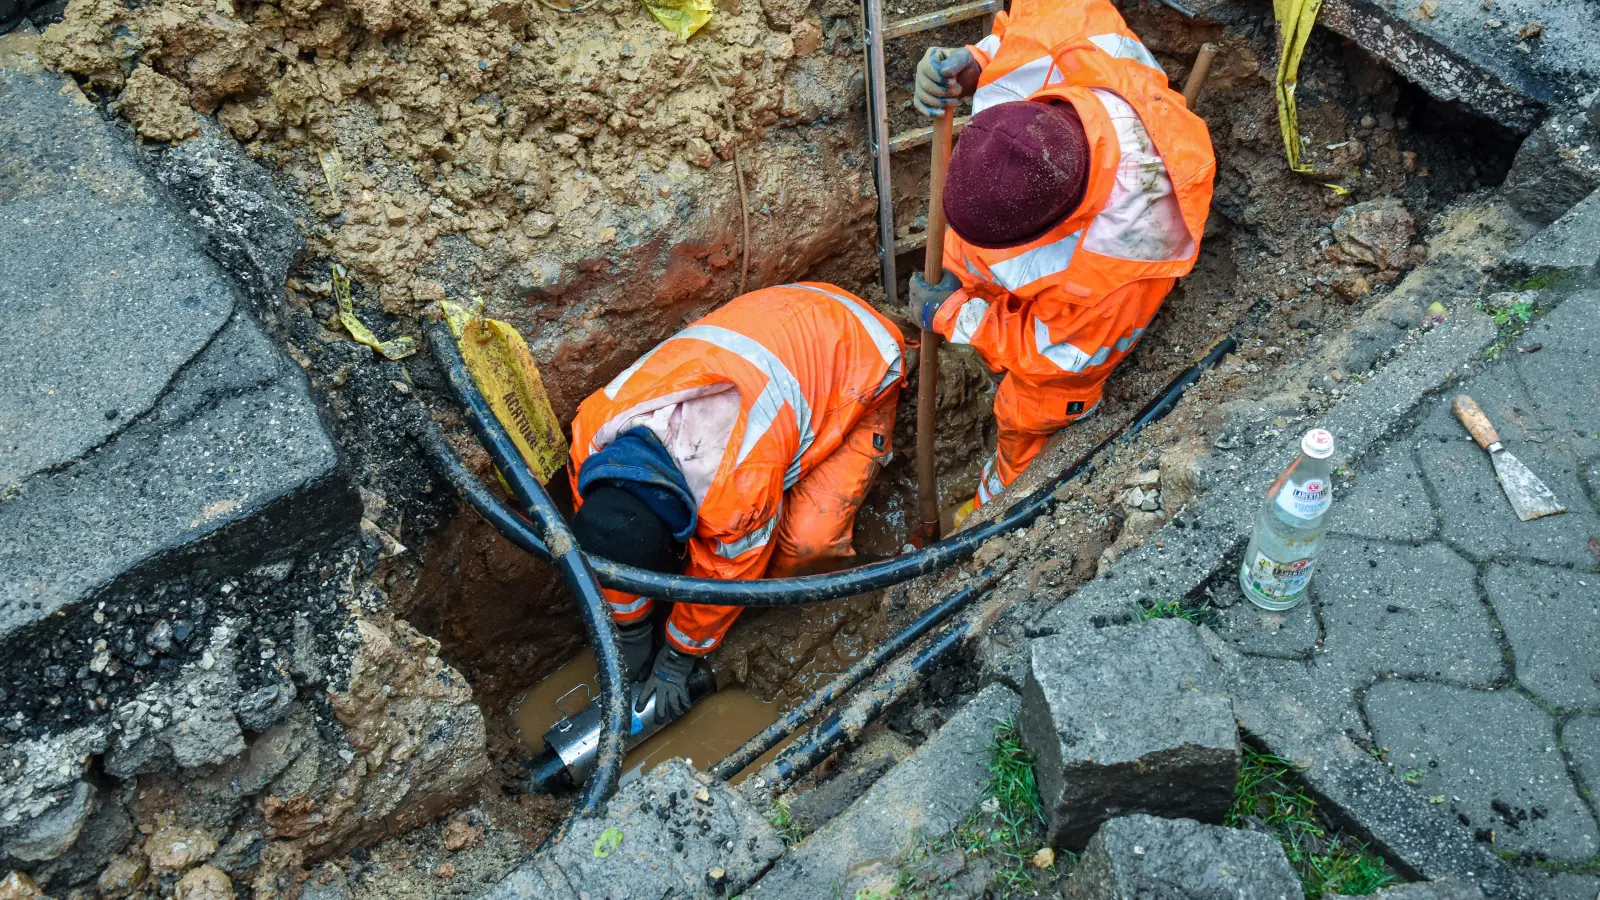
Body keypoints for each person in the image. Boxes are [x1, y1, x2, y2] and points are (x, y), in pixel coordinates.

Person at [908, 0, 1215, 518]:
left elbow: (1058, 357)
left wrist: (955, 315)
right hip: (1031, 222)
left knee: (1033, 411)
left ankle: (995, 505)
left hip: (1064, 346)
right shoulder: (1064, 26)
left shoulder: (1123, 261)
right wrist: (974, 63)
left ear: (1052, 229)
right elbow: (1014, 34)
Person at [566, 283, 905, 722]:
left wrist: (677, 659)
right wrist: (630, 630)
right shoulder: (590, 437)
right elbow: (606, 541)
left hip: (859, 360)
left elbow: (721, 581)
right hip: (779, 325)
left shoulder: (734, 494)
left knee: (803, 546)